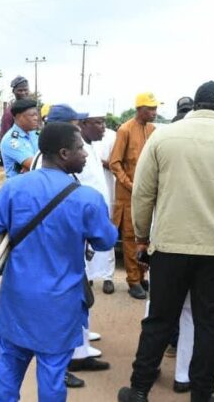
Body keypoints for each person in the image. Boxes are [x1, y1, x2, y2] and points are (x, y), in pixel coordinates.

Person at [118, 81, 214, 402]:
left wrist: (142, 238)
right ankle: (202, 394)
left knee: (159, 319)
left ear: (195, 106)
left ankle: (139, 389)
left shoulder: (162, 137)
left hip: (170, 248)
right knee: (211, 326)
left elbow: (143, 195)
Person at [0, 122, 118, 402]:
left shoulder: (14, 187)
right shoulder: (87, 198)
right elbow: (106, 241)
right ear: (63, 153)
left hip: (17, 300)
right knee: (53, 376)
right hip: (60, 305)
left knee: (8, 371)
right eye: (80, 148)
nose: (85, 154)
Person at [110, 92, 159, 300]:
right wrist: (130, 185)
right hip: (129, 196)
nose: (155, 112)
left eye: (156, 108)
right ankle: (133, 280)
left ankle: (142, 275)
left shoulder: (153, 130)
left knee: (147, 236)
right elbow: (115, 163)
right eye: (150, 108)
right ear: (139, 109)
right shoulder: (125, 130)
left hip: (148, 195)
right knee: (131, 238)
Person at [79, 111, 116, 295]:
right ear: (84, 124)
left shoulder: (92, 145)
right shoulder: (77, 148)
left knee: (105, 247)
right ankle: (87, 278)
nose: (103, 127)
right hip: (85, 213)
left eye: (104, 122)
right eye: (98, 122)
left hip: (101, 209)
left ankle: (107, 277)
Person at [0, 99, 39, 179]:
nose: (36, 118)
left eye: (36, 115)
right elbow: (36, 165)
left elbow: (47, 156)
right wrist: (33, 165)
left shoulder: (34, 134)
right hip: (19, 188)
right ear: (18, 117)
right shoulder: (11, 140)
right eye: (32, 115)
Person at [0, 76, 30, 141]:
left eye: (25, 90)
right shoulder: (9, 113)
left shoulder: (32, 110)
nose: (23, 93)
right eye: (20, 90)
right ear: (14, 91)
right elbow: (5, 137)